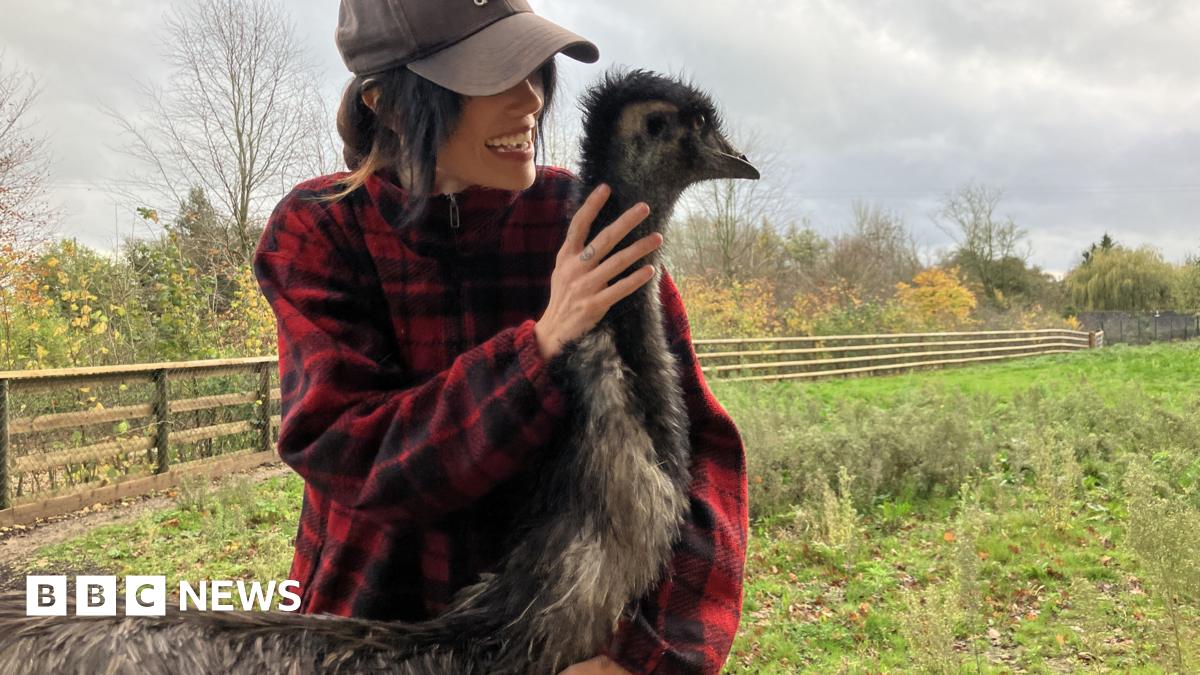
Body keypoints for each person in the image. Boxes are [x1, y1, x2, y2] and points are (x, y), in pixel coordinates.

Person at [251, 1, 749, 673]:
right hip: (366, 633)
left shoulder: (579, 216)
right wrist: (540, 347)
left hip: (556, 645)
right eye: (487, 77)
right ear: (388, 102)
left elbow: (698, 454)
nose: (529, 102)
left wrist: (651, 655)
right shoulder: (320, 229)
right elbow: (351, 451)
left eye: (535, 71)